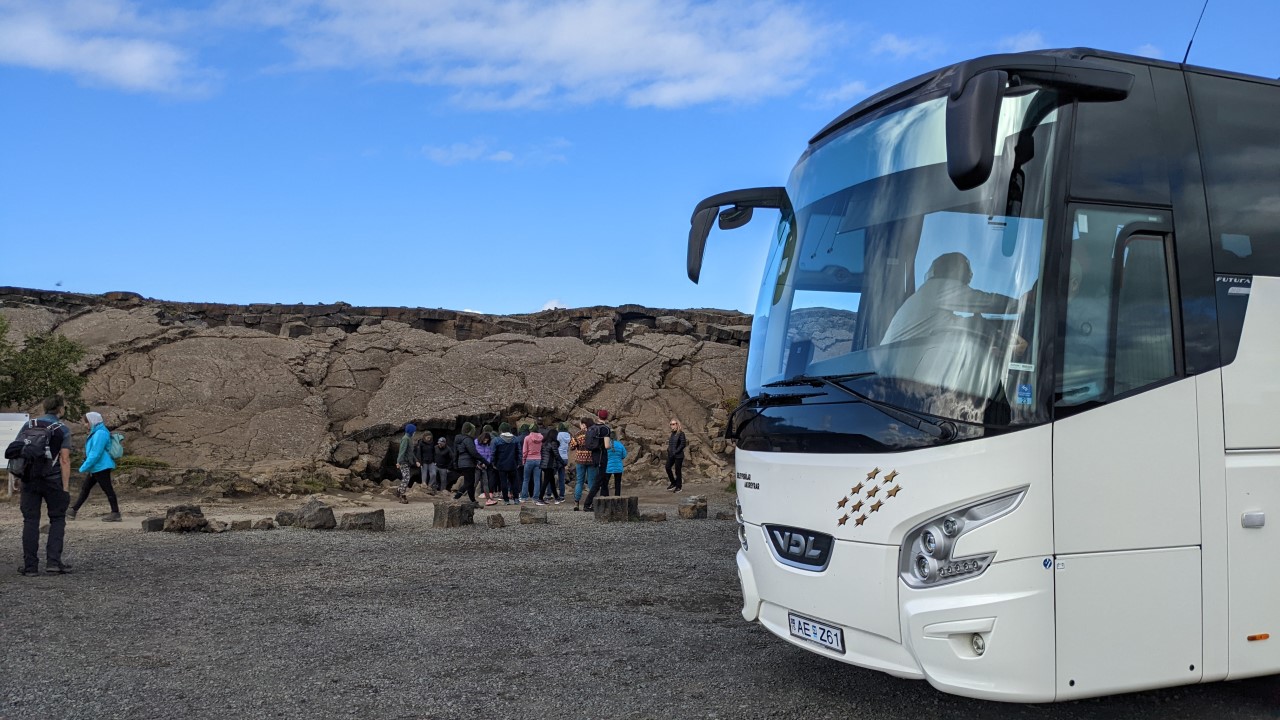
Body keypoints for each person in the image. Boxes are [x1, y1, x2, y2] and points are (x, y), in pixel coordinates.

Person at [880, 252, 1020, 346]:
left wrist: (995, 331)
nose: (970, 275)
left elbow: (962, 325)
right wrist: (1024, 305)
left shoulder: (927, 296)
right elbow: (989, 303)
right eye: (966, 269)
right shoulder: (939, 287)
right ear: (954, 270)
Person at [14, 396, 73, 575]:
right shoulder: (62, 429)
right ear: (60, 409)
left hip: (29, 479)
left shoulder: (29, 425)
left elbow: (18, 451)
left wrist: (18, 475)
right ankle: (53, 563)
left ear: (44, 407)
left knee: (30, 521)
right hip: (53, 479)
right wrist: (65, 486)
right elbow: (64, 459)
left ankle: (30, 567)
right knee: (57, 519)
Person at [69, 411, 120, 522]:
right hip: (97, 466)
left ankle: (115, 513)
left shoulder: (100, 433)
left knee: (107, 489)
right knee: (86, 488)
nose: (85, 425)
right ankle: (73, 510)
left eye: (86, 422)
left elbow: (95, 453)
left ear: (92, 421)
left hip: (101, 466)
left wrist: (84, 467)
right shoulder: (98, 432)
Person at [581, 412, 612, 512]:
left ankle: (605, 502)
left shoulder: (592, 428)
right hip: (602, 456)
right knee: (599, 481)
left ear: (598, 416)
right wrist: (611, 445)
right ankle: (587, 504)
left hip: (594, 456)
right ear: (607, 417)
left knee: (603, 480)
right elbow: (607, 446)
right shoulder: (605, 429)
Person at [452, 422, 483, 505]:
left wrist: (455, 463)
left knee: (470, 482)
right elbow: (473, 452)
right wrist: (484, 461)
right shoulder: (468, 440)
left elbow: (455, 453)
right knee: (469, 482)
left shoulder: (458, 440)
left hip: (462, 463)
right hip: (468, 463)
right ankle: (457, 496)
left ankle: (472, 500)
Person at [492, 423, 522, 504]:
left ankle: (506, 500)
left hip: (501, 464)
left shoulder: (496, 440)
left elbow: (493, 453)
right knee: (514, 482)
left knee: (503, 482)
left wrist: (493, 463)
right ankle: (516, 499)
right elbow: (519, 452)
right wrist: (519, 462)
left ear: (500, 430)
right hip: (513, 463)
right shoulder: (515, 439)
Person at [570, 419, 593, 511]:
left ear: (583, 424)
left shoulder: (578, 434)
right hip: (591, 460)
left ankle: (576, 502)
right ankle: (590, 502)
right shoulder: (593, 433)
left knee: (579, 482)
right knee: (591, 482)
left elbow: (572, 447)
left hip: (580, 460)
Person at [538, 427, 564, 505]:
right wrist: (562, 462)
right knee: (546, 482)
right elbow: (556, 454)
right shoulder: (553, 443)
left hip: (543, 464)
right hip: (550, 465)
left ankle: (556, 497)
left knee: (551, 481)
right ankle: (540, 498)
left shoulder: (544, 443)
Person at [395, 423, 417, 504]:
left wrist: (416, 460)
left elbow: (410, 452)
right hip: (403, 462)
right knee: (406, 478)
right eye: (414, 431)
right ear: (411, 431)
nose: (415, 432)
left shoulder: (409, 438)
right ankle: (401, 494)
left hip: (408, 462)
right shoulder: (405, 439)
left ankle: (399, 491)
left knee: (406, 477)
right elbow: (402, 451)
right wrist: (398, 462)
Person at [521, 424, 543, 503]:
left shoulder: (527, 438)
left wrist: (523, 460)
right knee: (537, 480)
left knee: (526, 479)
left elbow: (524, 451)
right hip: (538, 459)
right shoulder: (541, 438)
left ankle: (524, 497)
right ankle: (535, 498)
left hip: (529, 460)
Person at [604, 427, 628, 497]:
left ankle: (606, 497)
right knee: (617, 484)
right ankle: (617, 497)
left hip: (608, 467)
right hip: (618, 466)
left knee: (605, 483)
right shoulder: (620, 445)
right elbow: (624, 455)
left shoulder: (606, 445)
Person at [475, 431, 497, 506]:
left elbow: (489, 455)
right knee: (475, 482)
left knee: (485, 483)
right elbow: (474, 454)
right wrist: (477, 463)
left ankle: (488, 499)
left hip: (484, 466)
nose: (485, 441)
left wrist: (486, 463)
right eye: (485, 440)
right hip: (477, 466)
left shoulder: (487, 445)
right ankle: (468, 497)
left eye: (487, 440)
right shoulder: (475, 443)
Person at [666, 418, 686, 492]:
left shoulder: (681, 433)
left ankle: (679, 486)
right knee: (667, 467)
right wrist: (668, 450)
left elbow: (683, 444)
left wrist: (676, 451)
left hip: (679, 455)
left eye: (673, 424)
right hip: (671, 454)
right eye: (671, 424)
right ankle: (673, 483)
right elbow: (671, 444)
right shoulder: (672, 434)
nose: (672, 426)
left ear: (677, 424)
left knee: (677, 471)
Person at [555, 422, 571, 500]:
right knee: (562, 478)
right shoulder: (568, 435)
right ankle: (562, 495)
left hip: (558, 457)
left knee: (550, 476)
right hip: (565, 458)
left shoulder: (558, 435)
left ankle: (549, 494)